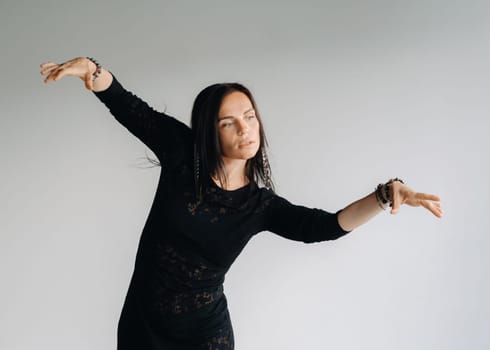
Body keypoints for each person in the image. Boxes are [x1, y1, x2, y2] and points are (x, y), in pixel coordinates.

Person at [40, 57, 443, 350]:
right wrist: (92, 71)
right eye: (228, 122)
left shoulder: (259, 206)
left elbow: (325, 226)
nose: (244, 129)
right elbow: (130, 107)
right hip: (142, 327)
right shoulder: (182, 156)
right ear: (208, 134)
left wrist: (385, 194)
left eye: (249, 116)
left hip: (205, 336)